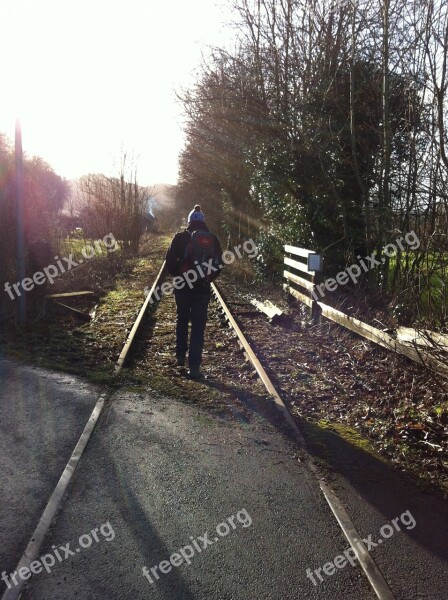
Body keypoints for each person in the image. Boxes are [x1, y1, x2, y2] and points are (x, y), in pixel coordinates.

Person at [165, 205, 223, 379]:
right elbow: (219, 265)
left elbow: (169, 264)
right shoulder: (213, 239)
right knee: (198, 327)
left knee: (182, 320)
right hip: (202, 290)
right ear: (203, 221)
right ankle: (195, 367)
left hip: (182, 287)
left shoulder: (180, 237)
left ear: (190, 221)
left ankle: (180, 359)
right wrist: (206, 278)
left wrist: (180, 274)